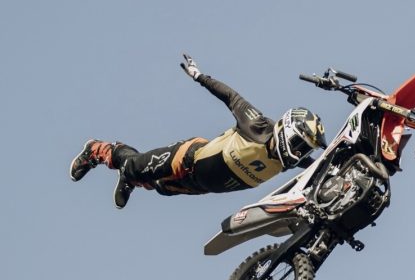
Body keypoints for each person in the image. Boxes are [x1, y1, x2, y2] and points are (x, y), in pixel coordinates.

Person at [69, 54, 326, 209]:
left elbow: (322, 164)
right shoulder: (257, 125)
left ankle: (132, 178)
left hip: (201, 186)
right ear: (285, 129)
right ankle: (96, 150)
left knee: (158, 187)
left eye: (304, 149)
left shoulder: (293, 160)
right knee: (135, 166)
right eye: (298, 143)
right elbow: (231, 96)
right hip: (189, 157)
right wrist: (199, 76)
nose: (298, 153)